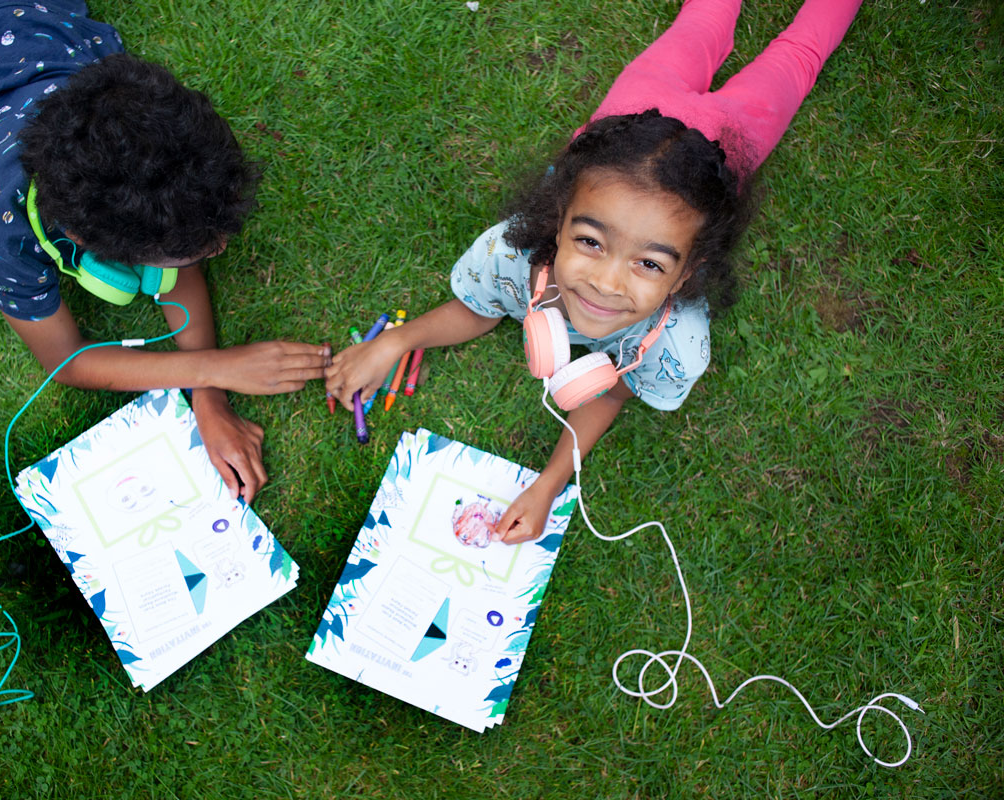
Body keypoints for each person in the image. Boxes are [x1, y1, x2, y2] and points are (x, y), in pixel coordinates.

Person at [325, 0, 862, 542]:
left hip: (733, 133)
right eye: (590, 241)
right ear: (556, 223)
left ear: (685, 275)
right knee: (702, 24)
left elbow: (609, 390)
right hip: (640, 105)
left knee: (799, 55)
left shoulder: (677, 345)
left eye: (650, 263)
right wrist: (394, 343)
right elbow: (478, 308)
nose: (606, 284)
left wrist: (548, 482)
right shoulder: (510, 255)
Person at [0, 0, 329, 503]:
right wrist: (214, 369)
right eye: (190, 252)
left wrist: (209, 399)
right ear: (90, 247)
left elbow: (171, 253)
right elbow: (68, 362)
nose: (220, 249)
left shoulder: (132, 116)